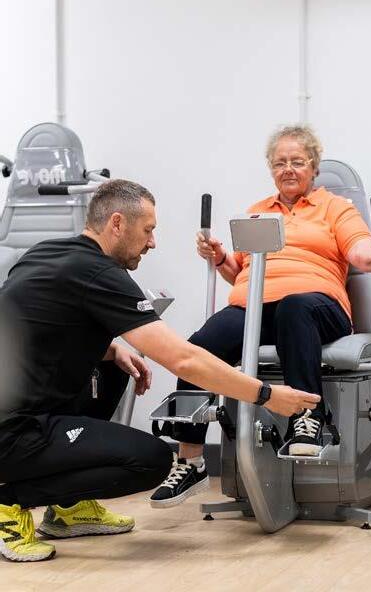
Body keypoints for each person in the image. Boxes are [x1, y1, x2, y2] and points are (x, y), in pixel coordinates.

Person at [0, 179, 319, 562]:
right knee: (150, 461)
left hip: (16, 411)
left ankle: (68, 509)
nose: (152, 242)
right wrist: (266, 395)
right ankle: (9, 501)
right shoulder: (100, 274)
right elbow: (183, 359)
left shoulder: (48, 252)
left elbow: (37, 326)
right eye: (148, 230)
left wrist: (111, 349)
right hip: (14, 431)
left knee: (116, 369)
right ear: (117, 223)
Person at [150, 125, 371, 509]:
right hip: (254, 308)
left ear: (313, 166)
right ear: (271, 168)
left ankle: (309, 418)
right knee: (199, 347)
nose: (288, 169)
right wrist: (220, 257)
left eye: (297, 161)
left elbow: (360, 250)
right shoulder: (258, 212)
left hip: (317, 307)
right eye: (280, 162)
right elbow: (241, 272)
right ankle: (190, 461)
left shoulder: (335, 208)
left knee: (293, 307)